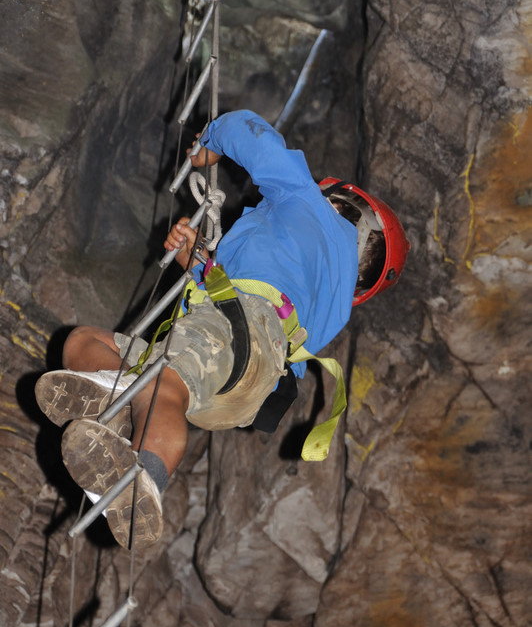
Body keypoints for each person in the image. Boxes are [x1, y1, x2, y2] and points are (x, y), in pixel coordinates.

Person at [35, 110, 409, 551]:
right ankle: (117, 435)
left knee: (163, 387)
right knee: (84, 343)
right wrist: (197, 265)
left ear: (341, 203)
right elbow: (246, 302)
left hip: (239, 332)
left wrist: (209, 143)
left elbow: (257, 140)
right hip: (242, 383)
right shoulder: (328, 302)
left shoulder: (306, 202)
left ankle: (144, 478)